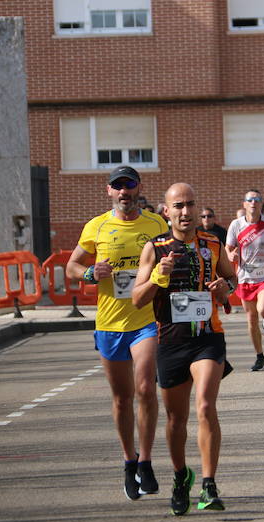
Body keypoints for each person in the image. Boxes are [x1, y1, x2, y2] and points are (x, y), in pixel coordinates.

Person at [132, 183, 236, 516]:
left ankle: (208, 484)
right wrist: (157, 280)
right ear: (166, 211)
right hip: (171, 341)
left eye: (190, 204)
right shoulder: (154, 249)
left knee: (205, 405)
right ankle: (181, 476)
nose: (185, 211)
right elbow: (137, 299)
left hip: (207, 337)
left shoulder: (212, 243)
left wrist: (224, 289)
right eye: (178, 205)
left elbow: (231, 282)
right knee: (176, 420)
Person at [66, 165, 169, 502]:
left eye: (130, 185)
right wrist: (91, 274)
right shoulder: (96, 227)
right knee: (122, 398)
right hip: (109, 323)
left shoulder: (155, 224)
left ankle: (147, 461)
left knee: (145, 388)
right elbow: (72, 268)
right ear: (108, 191)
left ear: (139, 189)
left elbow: (173, 257)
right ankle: (129, 461)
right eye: (118, 186)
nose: (124, 192)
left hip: (145, 320)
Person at [226, 190, 264, 370]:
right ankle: (260, 356)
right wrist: (231, 254)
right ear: (244, 204)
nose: (253, 202)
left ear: (261, 204)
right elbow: (228, 248)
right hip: (245, 277)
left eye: (257, 200)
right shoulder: (236, 225)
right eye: (249, 200)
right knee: (251, 319)